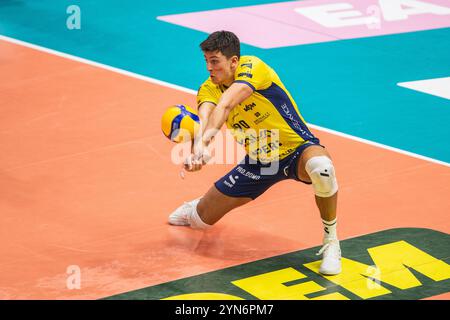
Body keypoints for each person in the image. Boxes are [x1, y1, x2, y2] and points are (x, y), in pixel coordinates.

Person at [168, 31, 341, 275]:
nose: (209, 68)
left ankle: (331, 241)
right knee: (199, 220)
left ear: (234, 62)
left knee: (322, 168)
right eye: (206, 61)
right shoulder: (208, 89)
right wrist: (199, 149)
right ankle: (198, 207)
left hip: (297, 149)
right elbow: (206, 116)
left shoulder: (253, 68)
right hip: (260, 163)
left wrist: (204, 142)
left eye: (215, 61)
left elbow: (226, 105)